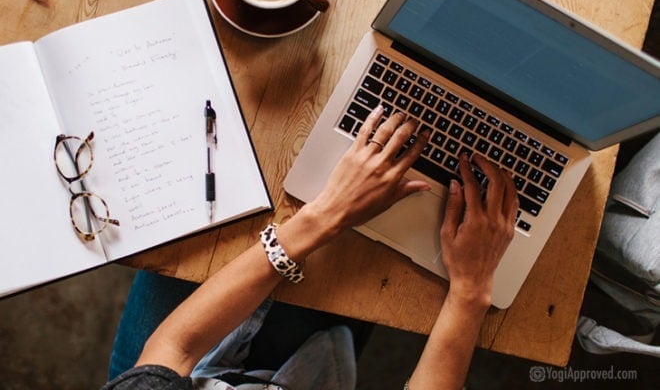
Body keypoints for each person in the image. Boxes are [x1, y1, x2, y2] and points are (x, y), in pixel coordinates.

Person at [102, 104, 518, 390]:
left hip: (190, 372)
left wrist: (325, 216)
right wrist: (469, 291)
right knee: (363, 275)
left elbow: (171, 350)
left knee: (195, 236)